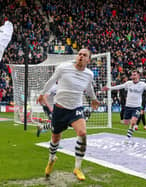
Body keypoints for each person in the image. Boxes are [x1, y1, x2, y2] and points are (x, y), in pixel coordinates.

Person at [37, 48, 100, 180]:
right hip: (60, 109)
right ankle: (51, 159)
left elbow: (89, 88)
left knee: (82, 133)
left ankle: (77, 168)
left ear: (88, 60)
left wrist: (93, 98)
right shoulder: (63, 67)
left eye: (84, 55)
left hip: (76, 108)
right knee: (55, 138)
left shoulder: (89, 74)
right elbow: (51, 80)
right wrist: (42, 94)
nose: (81, 56)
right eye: (80, 54)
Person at [102, 70, 146, 142]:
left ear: (138, 76)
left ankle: (128, 137)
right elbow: (119, 87)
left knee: (133, 122)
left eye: (135, 75)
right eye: (132, 75)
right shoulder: (128, 83)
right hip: (128, 106)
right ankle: (131, 127)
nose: (133, 76)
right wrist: (109, 88)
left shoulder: (142, 84)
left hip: (137, 106)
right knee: (126, 122)